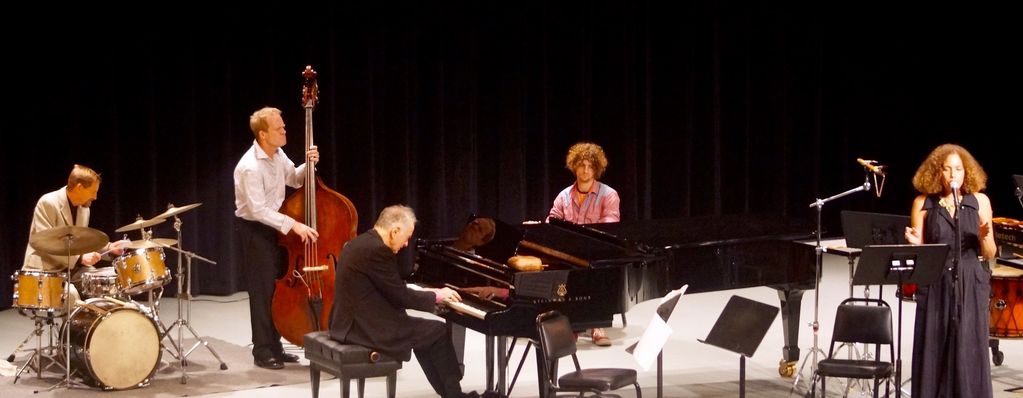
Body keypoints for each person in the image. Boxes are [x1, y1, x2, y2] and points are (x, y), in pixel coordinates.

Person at [329, 205, 483, 398]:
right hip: (364, 328)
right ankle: (454, 394)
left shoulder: (360, 243)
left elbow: (389, 287)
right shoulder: (378, 250)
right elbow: (400, 296)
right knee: (436, 331)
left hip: (347, 323)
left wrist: (430, 291)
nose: (406, 243)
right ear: (395, 231)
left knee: (426, 334)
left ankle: (451, 394)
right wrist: (436, 296)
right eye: (407, 236)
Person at [904, 143, 997, 398]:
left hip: (971, 280)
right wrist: (915, 245)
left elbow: (990, 254)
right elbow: (920, 255)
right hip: (936, 281)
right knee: (934, 348)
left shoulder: (979, 202)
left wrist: (984, 237)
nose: (954, 174)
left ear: (966, 172)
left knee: (969, 349)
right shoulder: (923, 204)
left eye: (958, 169)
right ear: (937, 173)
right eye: (947, 169)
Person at [233, 106, 320, 370]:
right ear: (262, 134)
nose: (284, 130)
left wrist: (309, 164)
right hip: (256, 230)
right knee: (262, 292)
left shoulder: (277, 154)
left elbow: (293, 179)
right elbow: (258, 210)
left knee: (278, 291)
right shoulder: (249, 167)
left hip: (276, 226)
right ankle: (262, 350)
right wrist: (294, 225)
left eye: (283, 126)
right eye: (279, 128)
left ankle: (276, 345)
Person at [547, 141, 620, 346]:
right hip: (569, 252)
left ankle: (598, 324)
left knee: (594, 269)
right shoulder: (563, 196)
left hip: (596, 251)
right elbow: (553, 220)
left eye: (590, 166)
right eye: (582, 165)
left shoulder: (609, 195)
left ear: (596, 168)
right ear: (575, 166)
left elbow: (610, 225)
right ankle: (571, 324)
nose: (586, 170)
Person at [22, 164, 128, 302]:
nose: (95, 197)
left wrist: (110, 249)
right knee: (71, 295)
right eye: (93, 191)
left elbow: (82, 243)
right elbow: (45, 245)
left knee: (105, 284)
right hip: (46, 268)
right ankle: (74, 323)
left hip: (71, 269)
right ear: (79, 187)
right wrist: (79, 258)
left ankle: (98, 323)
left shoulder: (84, 209)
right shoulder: (48, 203)